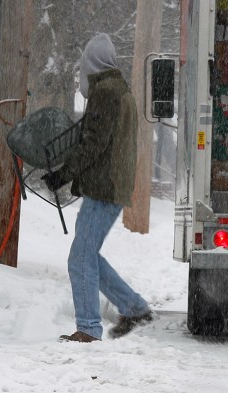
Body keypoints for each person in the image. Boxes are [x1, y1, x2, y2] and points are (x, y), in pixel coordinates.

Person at [43, 33, 153, 342]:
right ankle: (134, 307)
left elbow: (93, 142)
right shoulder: (120, 89)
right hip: (112, 186)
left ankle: (89, 328)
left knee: (80, 258)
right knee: (88, 254)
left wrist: (63, 175)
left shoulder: (105, 92)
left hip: (104, 188)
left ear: (91, 63)